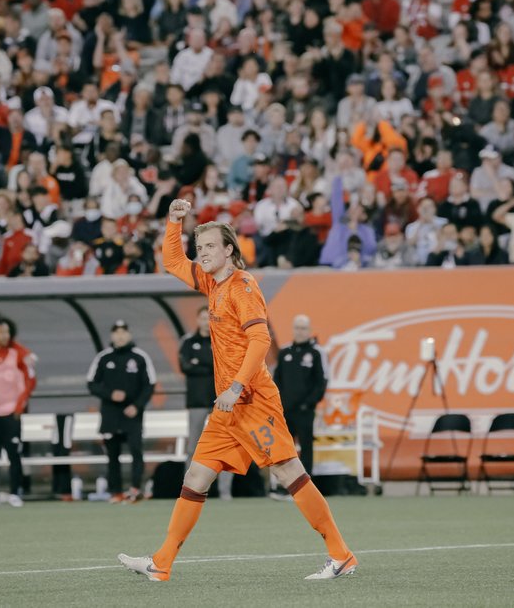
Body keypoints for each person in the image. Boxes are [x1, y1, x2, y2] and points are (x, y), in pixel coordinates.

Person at [117, 198, 356, 582]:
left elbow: (260, 341)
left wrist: (236, 385)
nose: (203, 254)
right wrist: (173, 223)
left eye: (210, 246)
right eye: (201, 247)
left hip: (252, 400)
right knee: (195, 478)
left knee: (289, 473)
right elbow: (173, 263)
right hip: (227, 407)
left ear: (230, 250)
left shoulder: (243, 286)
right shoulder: (212, 281)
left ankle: (341, 554)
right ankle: (162, 563)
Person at [88, 320, 157, 504]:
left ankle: (135, 489)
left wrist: (137, 406)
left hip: (132, 415)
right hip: (110, 415)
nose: (120, 335)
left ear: (129, 335)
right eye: (116, 332)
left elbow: (149, 385)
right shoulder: (103, 357)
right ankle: (115, 492)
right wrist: (110, 394)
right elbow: (91, 383)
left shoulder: (140, 357)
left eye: (123, 332)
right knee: (112, 455)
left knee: (136, 451)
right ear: (111, 336)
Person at [0, 317, 36, 509]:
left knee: (14, 454)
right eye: (1, 332)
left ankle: (14, 493)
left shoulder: (16, 354)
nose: (4, 335)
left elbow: (30, 381)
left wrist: (20, 405)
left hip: (12, 412)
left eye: (7, 332)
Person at [271, 315, 328, 500]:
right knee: (284, 450)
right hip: (285, 410)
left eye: (303, 328)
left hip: (305, 410)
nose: (300, 331)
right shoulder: (284, 352)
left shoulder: (317, 352)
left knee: (306, 447)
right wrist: (278, 403)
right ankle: (284, 487)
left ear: (309, 330)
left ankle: (305, 491)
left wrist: (309, 403)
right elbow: (276, 379)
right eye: (297, 327)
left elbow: (322, 381)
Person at [178, 307, 232, 500]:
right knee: (193, 446)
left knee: (226, 446)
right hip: (196, 402)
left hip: (221, 401)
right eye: (202, 317)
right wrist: (209, 364)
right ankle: (189, 489)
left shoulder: (222, 339)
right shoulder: (187, 341)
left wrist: (199, 363)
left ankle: (225, 491)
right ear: (197, 320)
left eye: (208, 318)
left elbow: (224, 364)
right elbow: (185, 366)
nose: (205, 321)